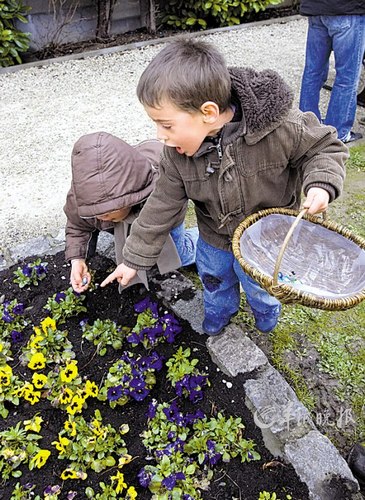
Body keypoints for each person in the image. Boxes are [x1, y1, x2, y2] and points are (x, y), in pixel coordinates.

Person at [100, 38, 347, 336]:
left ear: (208, 113)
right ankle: (220, 312)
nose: (160, 136)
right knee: (214, 280)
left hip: (267, 242)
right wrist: (133, 258)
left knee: (260, 287)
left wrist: (321, 184)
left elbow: (324, 147)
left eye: (166, 125)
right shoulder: (176, 156)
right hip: (214, 238)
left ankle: (265, 312)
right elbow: (160, 205)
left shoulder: (281, 128)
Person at [64, 131, 198, 293]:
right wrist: (77, 260)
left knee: (179, 254)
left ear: (130, 199)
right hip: (131, 200)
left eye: (107, 212)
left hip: (165, 219)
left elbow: (153, 230)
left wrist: (134, 260)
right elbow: (77, 226)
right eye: (95, 212)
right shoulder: (83, 200)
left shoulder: (158, 190)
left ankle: (201, 239)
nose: (100, 216)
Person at [299, 0, 365, 144]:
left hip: (316, 9)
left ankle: (306, 127)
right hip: (348, 10)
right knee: (347, 77)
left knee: (313, 72)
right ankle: (338, 133)